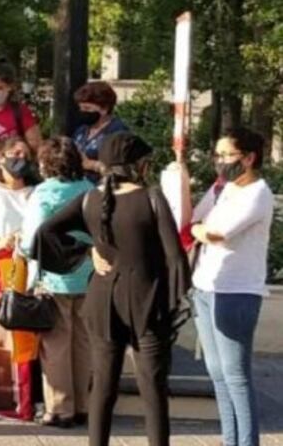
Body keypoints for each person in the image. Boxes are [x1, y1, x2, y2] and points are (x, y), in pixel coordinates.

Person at [35, 132, 190, 446]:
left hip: (102, 299)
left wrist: (85, 252)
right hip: (147, 300)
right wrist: (178, 299)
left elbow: (45, 232)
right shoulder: (152, 198)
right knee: (153, 389)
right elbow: (175, 256)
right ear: (138, 164)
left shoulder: (90, 198)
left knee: (103, 386)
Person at [189, 127, 274, 446]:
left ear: (249, 158)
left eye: (228, 155)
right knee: (217, 373)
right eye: (218, 155)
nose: (221, 161)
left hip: (237, 291)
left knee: (236, 375)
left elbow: (217, 233)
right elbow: (194, 218)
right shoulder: (223, 189)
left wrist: (199, 230)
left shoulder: (258, 193)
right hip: (205, 286)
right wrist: (198, 226)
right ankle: (230, 440)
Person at [20, 137, 95, 428]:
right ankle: (84, 405)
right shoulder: (89, 189)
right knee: (83, 341)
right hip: (87, 273)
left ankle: (60, 408)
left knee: (56, 345)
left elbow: (31, 240)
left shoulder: (44, 193)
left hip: (54, 276)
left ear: (46, 163)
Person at [72, 81, 128, 181]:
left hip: (100, 187)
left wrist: (92, 165)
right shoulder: (82, 130)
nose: (83, 112)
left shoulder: (118, 132)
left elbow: (121, 171)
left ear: (104, 108)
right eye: (80, 108)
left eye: (87, 108)